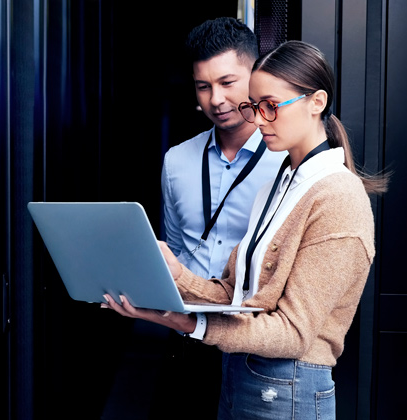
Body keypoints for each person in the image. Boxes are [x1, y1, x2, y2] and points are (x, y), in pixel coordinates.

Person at [103, 40, 388, 420]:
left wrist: (190, 322)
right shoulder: (285, 181)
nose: (258, 119)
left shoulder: (338, 195)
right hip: (244, 375)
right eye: (254, 107)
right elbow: (237, 295)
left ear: (316, 102)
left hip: (289, 388)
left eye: (271, 106)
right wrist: (176, 275)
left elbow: (292, 333)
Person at [155, 17, 287, 419]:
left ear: (255, 77)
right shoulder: (176, 160)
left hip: (254, 339)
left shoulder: (287, 161)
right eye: (204, 86)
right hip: (185, 335)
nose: (216, 99)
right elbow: (175, 247)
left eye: (228, 83)